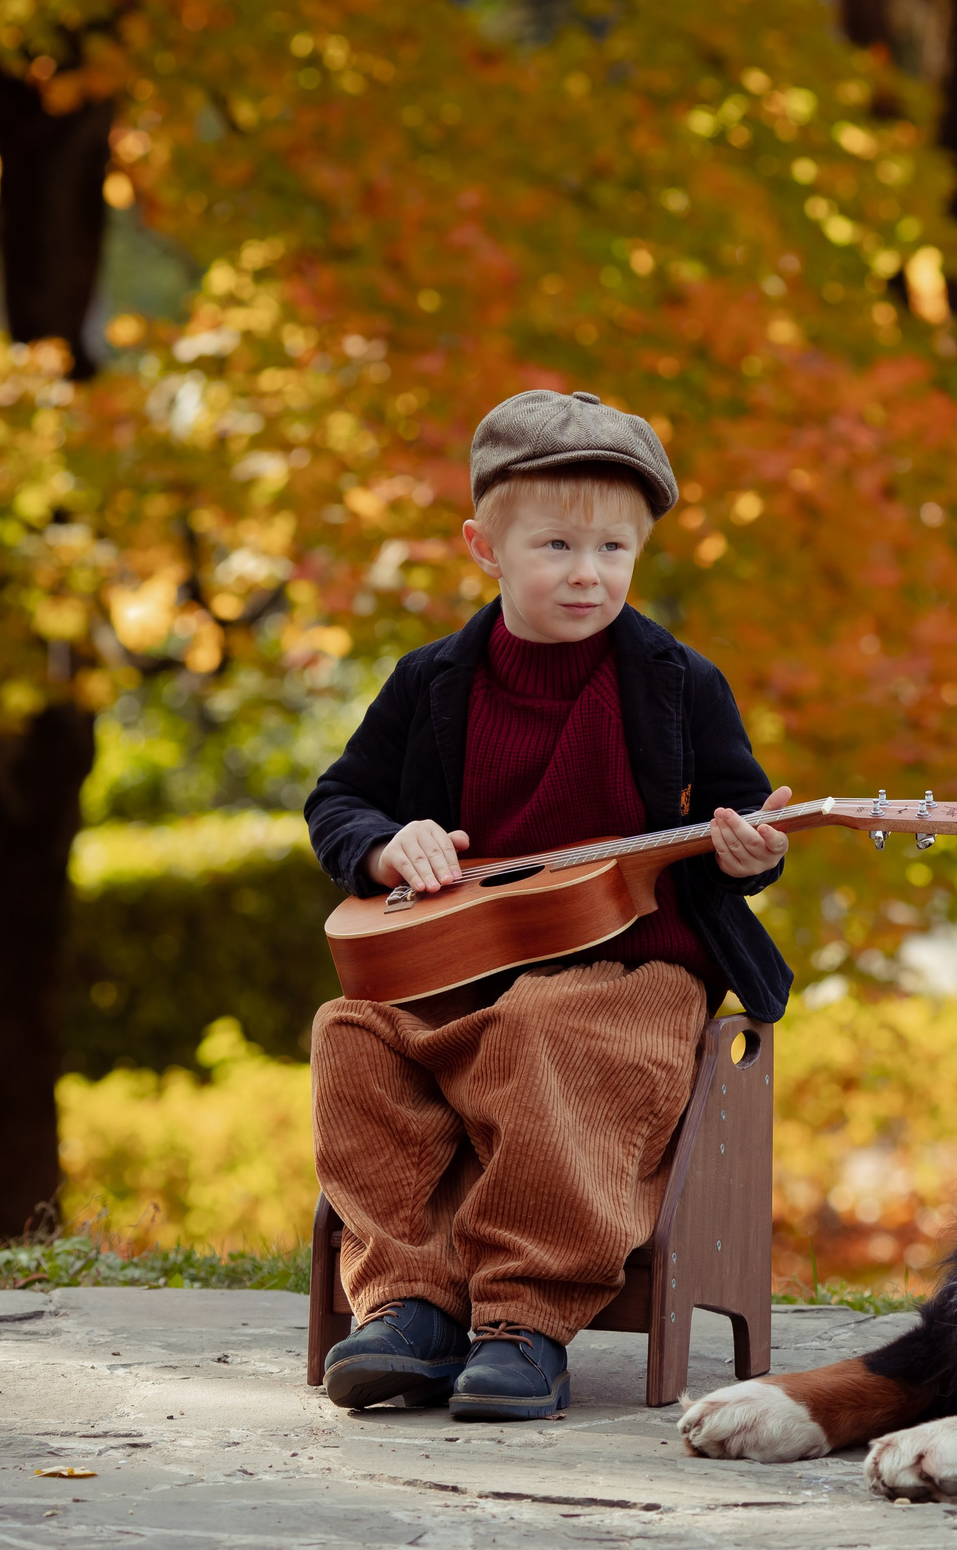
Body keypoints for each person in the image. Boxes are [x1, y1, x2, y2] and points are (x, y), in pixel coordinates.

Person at [302, 389, 792, 1420]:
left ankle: (526, 1320)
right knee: (352, 1032)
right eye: (557, 545)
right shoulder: (433, 681)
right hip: (461, 963)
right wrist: (386, 846)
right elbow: (339, 801)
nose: (587, 573)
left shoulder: (677, 683)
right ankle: (409, 1305)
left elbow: (739, 817)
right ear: (484, 546)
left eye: (615, 549)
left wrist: (749, 854)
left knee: (541, 1025)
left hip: (636, 967)